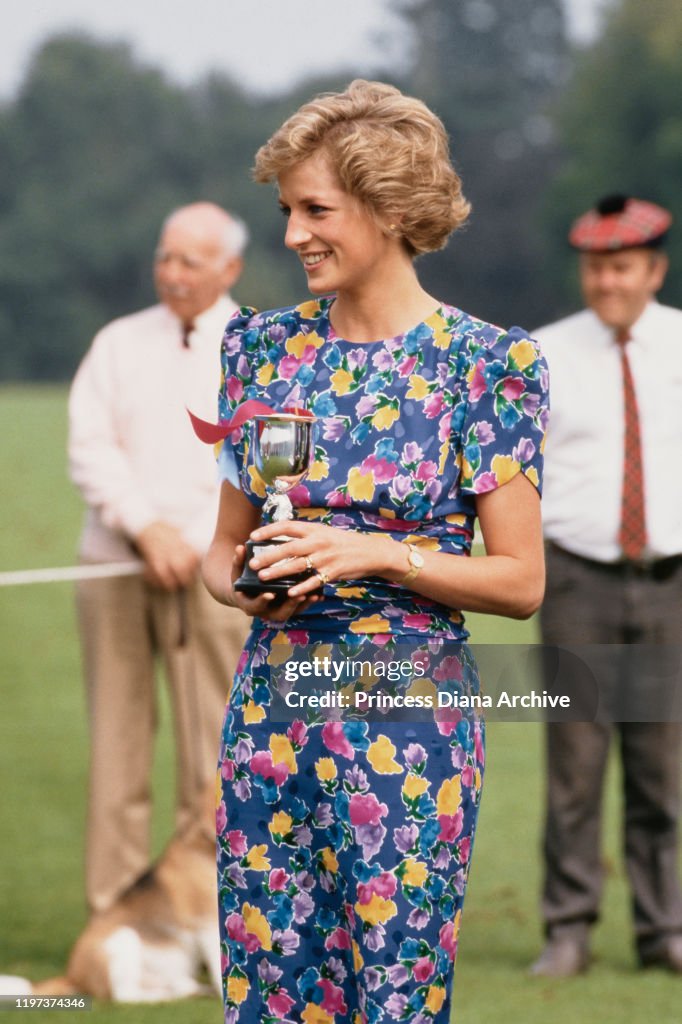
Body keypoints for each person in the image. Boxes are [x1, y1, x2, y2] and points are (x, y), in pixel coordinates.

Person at [200, 80, 548, 1023]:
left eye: (317, 210)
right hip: (272, 720)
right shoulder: (261, 353)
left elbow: (520, 582)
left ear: (391, 211)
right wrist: (249, 587)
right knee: (272, 993)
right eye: (286, 211)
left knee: (391, 996)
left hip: (407, 731)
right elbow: (220, 551)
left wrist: (378, 556)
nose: (291, 236)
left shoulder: (484, 365)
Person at [69, 202, 250, 914]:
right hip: (115, 567)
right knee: (117, 746)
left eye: (191, 262)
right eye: (165, 258)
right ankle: (116, 915)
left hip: (216, 573)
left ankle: (208, 918)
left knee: (215, 753)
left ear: (229, 269)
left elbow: (257, 459)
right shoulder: (117, 341)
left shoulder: (254, 344)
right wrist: (146, 529)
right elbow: (90, 445)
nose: (172, 275)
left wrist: (200, 540)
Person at [530, 194, 682, 977]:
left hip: (667, 585)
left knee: (662, 772)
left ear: (653, 269)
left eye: (621, 267)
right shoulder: (546, 356)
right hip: (577, 584)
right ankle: (568, 928)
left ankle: (664, 932)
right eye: (595, 267)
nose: (607, 282)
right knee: (575, 770)